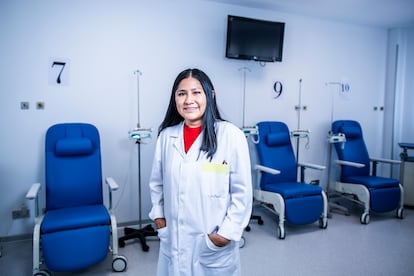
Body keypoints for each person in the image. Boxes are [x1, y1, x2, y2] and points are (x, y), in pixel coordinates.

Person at [148, 68, 252, 276]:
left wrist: (225, 234)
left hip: (212, 244)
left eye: (196, 92)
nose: (189, 100)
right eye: (181, 93)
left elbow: (242, 192)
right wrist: (160, 220)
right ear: (175, 99)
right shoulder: (167, 137)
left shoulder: (231, 135)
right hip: (174, 241)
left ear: (210, 95)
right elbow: (157, 183)